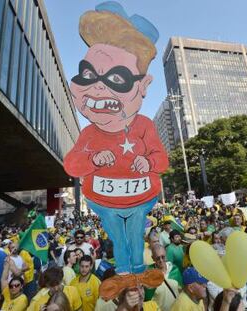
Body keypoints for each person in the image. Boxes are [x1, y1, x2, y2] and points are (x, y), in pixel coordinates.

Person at [63, 2, 168, 295]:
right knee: (118, 237)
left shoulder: (145, 124)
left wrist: (148, 164)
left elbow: (161, 158)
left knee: (134, 232)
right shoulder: (89, 132)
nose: (98, 88)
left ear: (143, 85)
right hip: (102, 198)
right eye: (88, 74)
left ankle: (135, 274)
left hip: (141, 193)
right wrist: (93, 158)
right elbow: (72, 164)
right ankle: (126, 274)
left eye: (116, 79)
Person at [145, 243, 181, 311]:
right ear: (153, 258)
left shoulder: (175, 270)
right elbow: (147, 298)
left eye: (163, 257)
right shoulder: (149, 274)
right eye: (158, 258)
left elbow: (180, 291)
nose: (161, 260)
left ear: (166, 255)